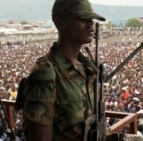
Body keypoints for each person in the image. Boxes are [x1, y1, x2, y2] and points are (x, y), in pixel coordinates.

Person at [20, 0, 105, 141]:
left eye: (91, 18)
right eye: (82, 18)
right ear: (60, 22)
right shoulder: (46, 72)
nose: (90, 23)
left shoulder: (87, 68)